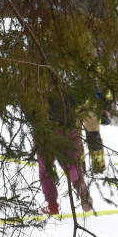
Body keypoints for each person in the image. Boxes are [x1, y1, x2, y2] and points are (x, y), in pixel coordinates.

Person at [35, 87, 93, 215]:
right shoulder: (69, 81)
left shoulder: (37, 82)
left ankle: (52, 205)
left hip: (45, 130)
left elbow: (29, 110)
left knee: (46, 169)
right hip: (70, 128)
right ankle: (82, 190)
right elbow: (82, 95)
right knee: (73, 164)